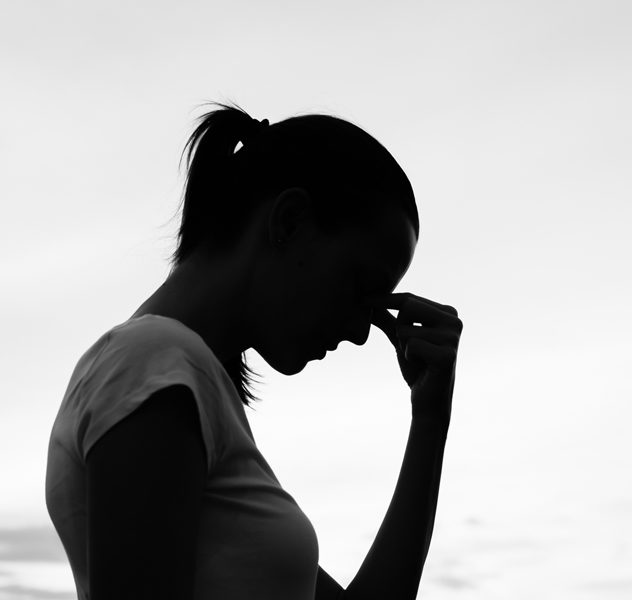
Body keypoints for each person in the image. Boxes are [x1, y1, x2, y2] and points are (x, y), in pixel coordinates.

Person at [44, 103, 463, 600]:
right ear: (288, 221)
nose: (360, 331)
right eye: (359, 287)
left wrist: (430, 417)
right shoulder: (152, 365)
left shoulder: (183, 380)